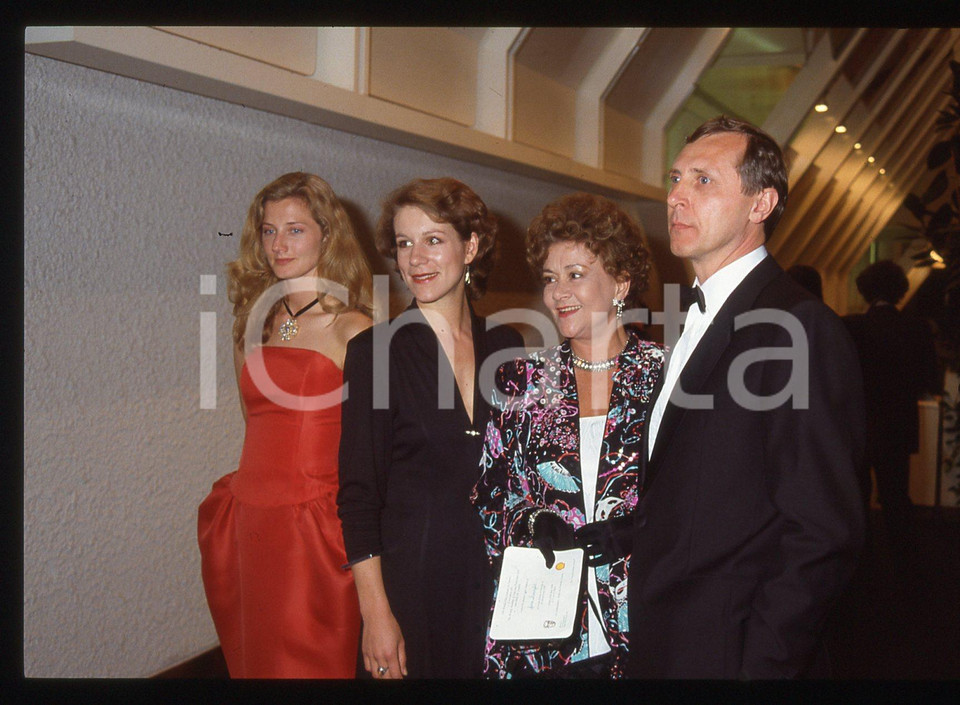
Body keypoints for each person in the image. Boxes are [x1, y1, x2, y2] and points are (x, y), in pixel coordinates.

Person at [630, 116, 867, 678]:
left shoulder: (797, 327)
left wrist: (761, 665)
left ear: (761, 204)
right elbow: (702, 492)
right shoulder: (690, 319)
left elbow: (823, 533)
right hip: (668, 640)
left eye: (703, 181)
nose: (677, 196)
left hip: (732, 652)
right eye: (675, 178)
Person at [472, 192, 664, 678]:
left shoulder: (670, 378)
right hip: (547, 636)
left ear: (621, 280)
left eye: (576, 275)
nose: (558, 293)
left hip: (648, 621)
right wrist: (532, 524)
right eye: (551, 278)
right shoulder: (521, 380)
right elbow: (491, 495)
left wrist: (640, 530)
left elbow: (707, 498)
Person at [337, 177, 523, 679]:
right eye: (404, 243)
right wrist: (375, 614)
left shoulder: (507, 346)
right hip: (411, 587)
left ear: (472, 246)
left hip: (495, 585)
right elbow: (358, 498)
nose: (415, 258)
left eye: (433, 240)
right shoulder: (376, 353)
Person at [198, 172, 373, 678]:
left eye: (295, 229)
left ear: (326, 234)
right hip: (250, 523)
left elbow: (374, 450)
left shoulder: (354, 328)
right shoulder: (254, 320)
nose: (278, 244)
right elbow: (253, 421)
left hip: (313, 532)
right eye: (269, 230)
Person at [843, 260, 938, 556]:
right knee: (897, 497)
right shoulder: (917, 327)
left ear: (865, 290)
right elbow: (929, 379)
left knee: (857, 497)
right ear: (900, 289)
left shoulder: (852, 327)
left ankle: (861, 564)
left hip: (861, 424)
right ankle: (905, 564)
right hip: (899, 423)